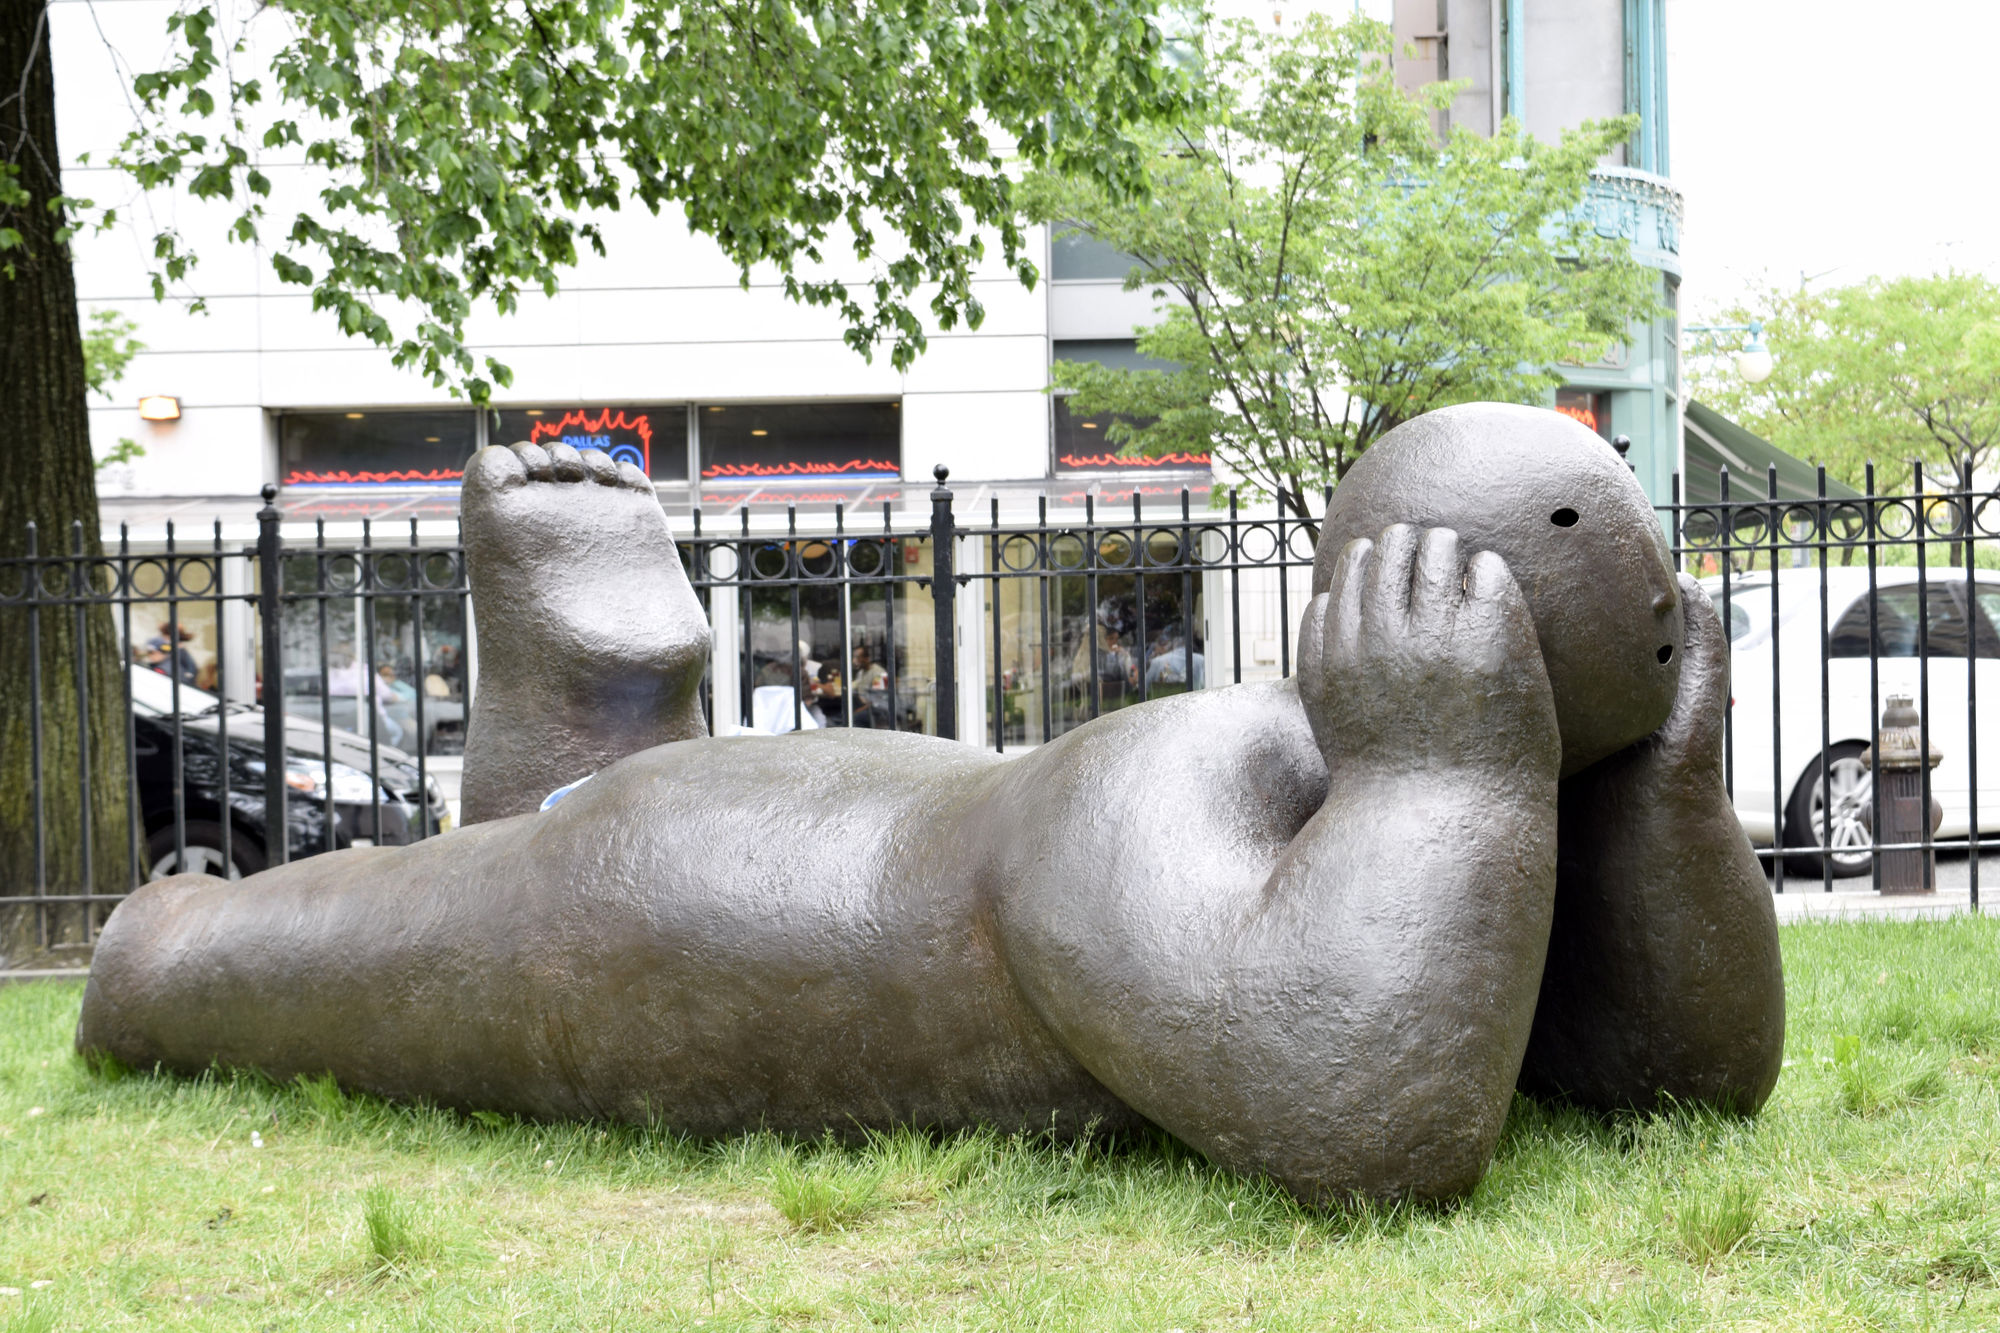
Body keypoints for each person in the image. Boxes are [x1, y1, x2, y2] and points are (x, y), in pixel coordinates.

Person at [81, 412, 1784, 1207]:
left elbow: (1681, 1083)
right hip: (679, 900)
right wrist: (1449, 767)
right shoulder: (1182, 778)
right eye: (1603, 552)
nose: (1657, 595)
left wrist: (1662, 798)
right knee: (211, 963)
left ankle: (600, 725)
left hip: (809, 830)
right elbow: (1366, 1121)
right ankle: (583, 751)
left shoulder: (1443, 834)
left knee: (551, 843)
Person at [849, 643, 889, 728]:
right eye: (854, 657)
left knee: (853, 719)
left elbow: (878, 700)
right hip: (863, 706)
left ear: (867, 658)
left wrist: (857, 711)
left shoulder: (880, 673)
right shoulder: (861, 673)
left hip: (877, 710)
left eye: (857, 657)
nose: (854, 661)